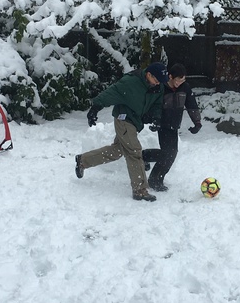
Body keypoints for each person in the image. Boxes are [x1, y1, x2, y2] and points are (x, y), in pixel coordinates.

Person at [74, 62, 168, 201]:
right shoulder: (131, 82)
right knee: (134, 152)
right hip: (123, 119)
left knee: (118, 150)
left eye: (160, 81)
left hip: (135, 121)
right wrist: (95, 108)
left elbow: (157, 105)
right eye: (156, 79)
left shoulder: (157, 87)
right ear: (149, 74)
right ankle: (140, 190)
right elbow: (111, 93)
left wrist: (156, 118)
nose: (158, 83)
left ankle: (83, 160)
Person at [142, 63, 202, 192]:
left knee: (170, 154)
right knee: (169, 154)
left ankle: (145, 157)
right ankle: (154, 179)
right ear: (170, 76)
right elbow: (151, 104)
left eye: (183, 80)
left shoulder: (185, 88)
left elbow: (192, 105)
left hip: (174, 125)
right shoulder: (161, 87)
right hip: (162, 124)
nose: (179, 83)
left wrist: (197, 122)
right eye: (177, 80)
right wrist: (153, 120)